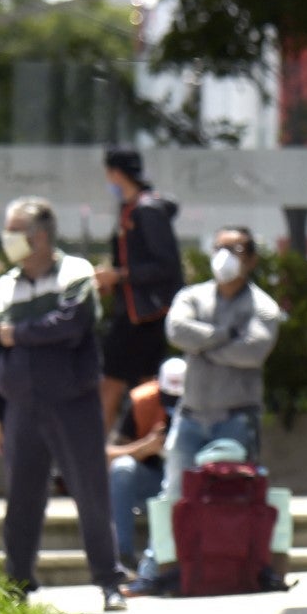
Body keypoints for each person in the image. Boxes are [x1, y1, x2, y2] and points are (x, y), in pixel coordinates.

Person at [0, 196, 127, 611]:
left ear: (38, 236)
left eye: (14, 230)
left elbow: (73, 325)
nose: (7, 238)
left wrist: (18, 334)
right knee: (21, 497)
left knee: (90, 491)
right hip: (21, 404)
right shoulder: (5, 285)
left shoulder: (75, 272)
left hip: (72, 401)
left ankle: (109, 581)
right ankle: (18, 584)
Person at [162, 225, 281, 498]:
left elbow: (252, 351)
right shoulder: (191, 296)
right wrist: (225, 335)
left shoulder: (263, 307)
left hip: (235, 420)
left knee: (231, 498)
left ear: (251, 260)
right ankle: (169, 544)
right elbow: (177, 331)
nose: (224, 256)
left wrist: (202, 347)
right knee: (177, 497)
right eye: (219, 249)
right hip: (190, 418)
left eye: (235, 250)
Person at [95, 147, 184, 434]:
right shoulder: (130, 209)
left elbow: (165, 266)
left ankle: (92, 459)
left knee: (115, 383)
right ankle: (140, 449)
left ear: (116, 174)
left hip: (145, 315)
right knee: (142, 385)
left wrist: (119, 276)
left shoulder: (147, 211)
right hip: (134, 311)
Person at [106, 356, 185, 570]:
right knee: (122, 469)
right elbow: (108, 455)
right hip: (153, 480)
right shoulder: (141, 401)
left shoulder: (205, 404)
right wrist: (145, 448)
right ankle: (122, 555)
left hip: (188, 481)